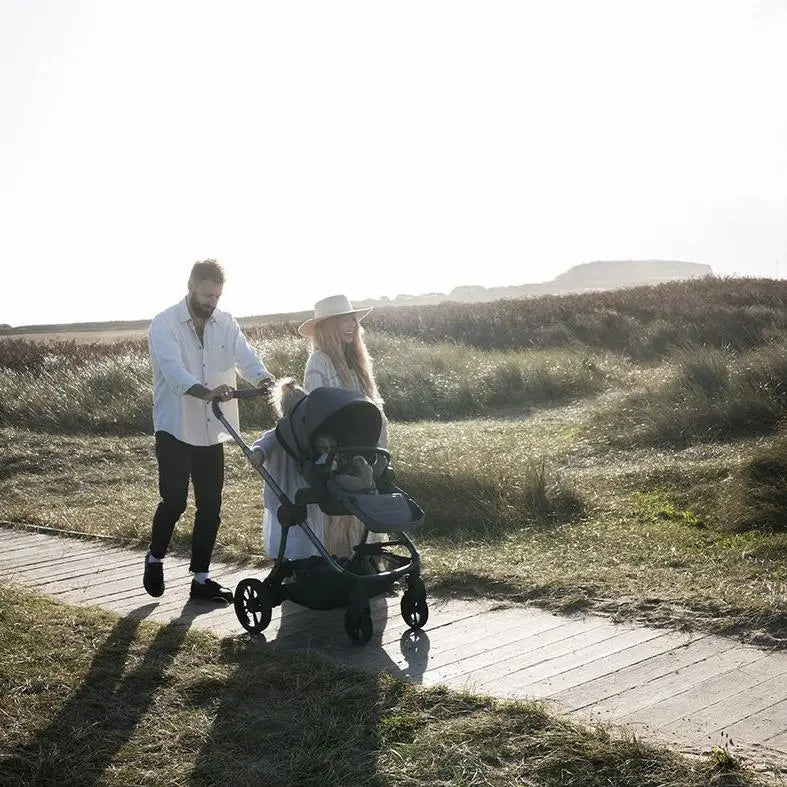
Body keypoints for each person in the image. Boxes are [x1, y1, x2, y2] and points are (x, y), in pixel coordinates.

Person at [143, 259, 273, 603]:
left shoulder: (226, 323)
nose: (212, 302)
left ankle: (201, 579)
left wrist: (263, 379)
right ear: (191, 286)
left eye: (217, 296)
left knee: (211, 507)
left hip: (211, 428)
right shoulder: (164, 324)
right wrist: (208, 392)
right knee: (174, 502)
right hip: (174, 427)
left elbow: (246, 358)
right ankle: (154, 557)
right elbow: (174, 373)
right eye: (206, 295)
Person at [299, 294, 389, 557]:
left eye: (352, 319)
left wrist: (379, 448)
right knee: (342, 515)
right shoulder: (319, 362)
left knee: (367, 506)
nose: (350, 325)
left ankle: (366, 559)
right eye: (342, 320)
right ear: (327, 327)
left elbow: (375, 407)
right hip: (337, 452)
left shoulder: (357, 361)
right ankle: (342, 559)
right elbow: (317, 412)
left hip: (364, 449)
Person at [248, 378, 325, 560]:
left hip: (303, 495)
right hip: (283, 493)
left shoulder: (310, 437)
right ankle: (289, 561)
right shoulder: (278, 434)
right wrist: (258, 454)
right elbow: (262, 445)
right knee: (288, 533)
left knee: (306, 532)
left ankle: (305, 561)